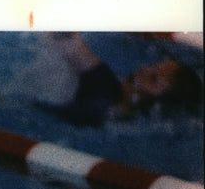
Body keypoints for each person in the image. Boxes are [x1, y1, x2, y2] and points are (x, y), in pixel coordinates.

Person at [33, 33, 202, 126]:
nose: (143, 69)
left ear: (159, 104)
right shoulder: (128, 122)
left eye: (153, 78)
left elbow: (66, 38)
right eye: (152, 67)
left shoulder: (103, 86)